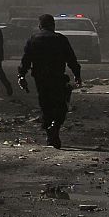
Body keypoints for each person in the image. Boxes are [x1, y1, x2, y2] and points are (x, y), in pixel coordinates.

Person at [19, 13, 82, 148]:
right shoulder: (60, 39)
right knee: (61, 104)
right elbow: (71, 59)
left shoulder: (33, 39)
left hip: (40, 79)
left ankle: (50, 132)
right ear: (53, 25)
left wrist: (22, 75)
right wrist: (77, 74)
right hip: (57, 77)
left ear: (40, 26)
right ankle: (55, 126)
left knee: (45, 105)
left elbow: (26, 60)